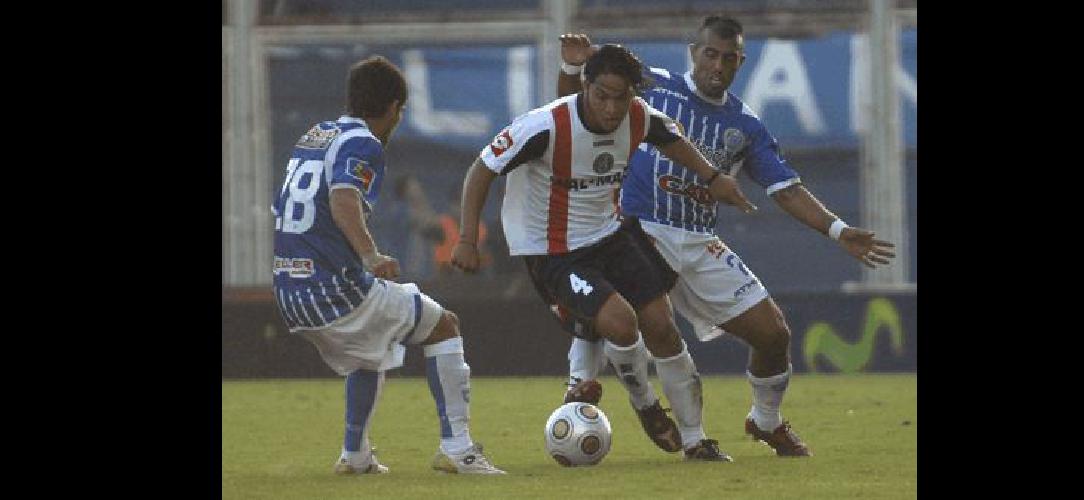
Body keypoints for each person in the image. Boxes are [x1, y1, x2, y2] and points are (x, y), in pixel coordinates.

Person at [554, 16, 897, 458]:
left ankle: (765, 420)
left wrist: (838, 229)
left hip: (698, 239)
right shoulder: (649, 83)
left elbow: (785, 189)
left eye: (729, 58)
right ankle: (604, 396)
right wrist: (572, 67)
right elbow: (575, 111)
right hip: (636, 229)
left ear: (741, 62)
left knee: (773, 334)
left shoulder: (745, 125)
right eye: (710, 54)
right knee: (649, 323)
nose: (717, 65)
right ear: (693, 53)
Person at [450, 44, 757, 461]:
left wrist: (713, 178)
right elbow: (482, 168)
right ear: (586, 86)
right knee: (620, 322)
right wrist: (468, 238)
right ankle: (647, 406)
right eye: (602, 95)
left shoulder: (639, 116)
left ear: (633, 93)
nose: (612, 108)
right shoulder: (545, 125)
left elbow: (674, 140)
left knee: (663, 327)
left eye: (622, 96)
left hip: (610, 234)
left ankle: (695, 439)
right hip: (553, 250)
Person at [270, 55, 505, 475]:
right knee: (444, 325)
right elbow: (343, 201)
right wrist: (370, 254)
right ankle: (459, 449)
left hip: (289, 289)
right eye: (401, 111)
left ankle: (355, 455)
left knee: (370, 353)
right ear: (395, 107)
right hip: (332, 290)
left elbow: (284, 206)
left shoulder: (316, 134)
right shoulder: (364, 143)